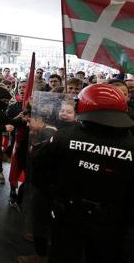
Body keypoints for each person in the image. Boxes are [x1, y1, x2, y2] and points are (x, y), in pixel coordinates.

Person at [32, 83, 134, 263]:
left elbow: (38, 169)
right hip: (113, 223)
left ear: (82, 106)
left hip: (68, 215)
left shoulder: (63, 137)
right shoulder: (131, 145)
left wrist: (54, 196)